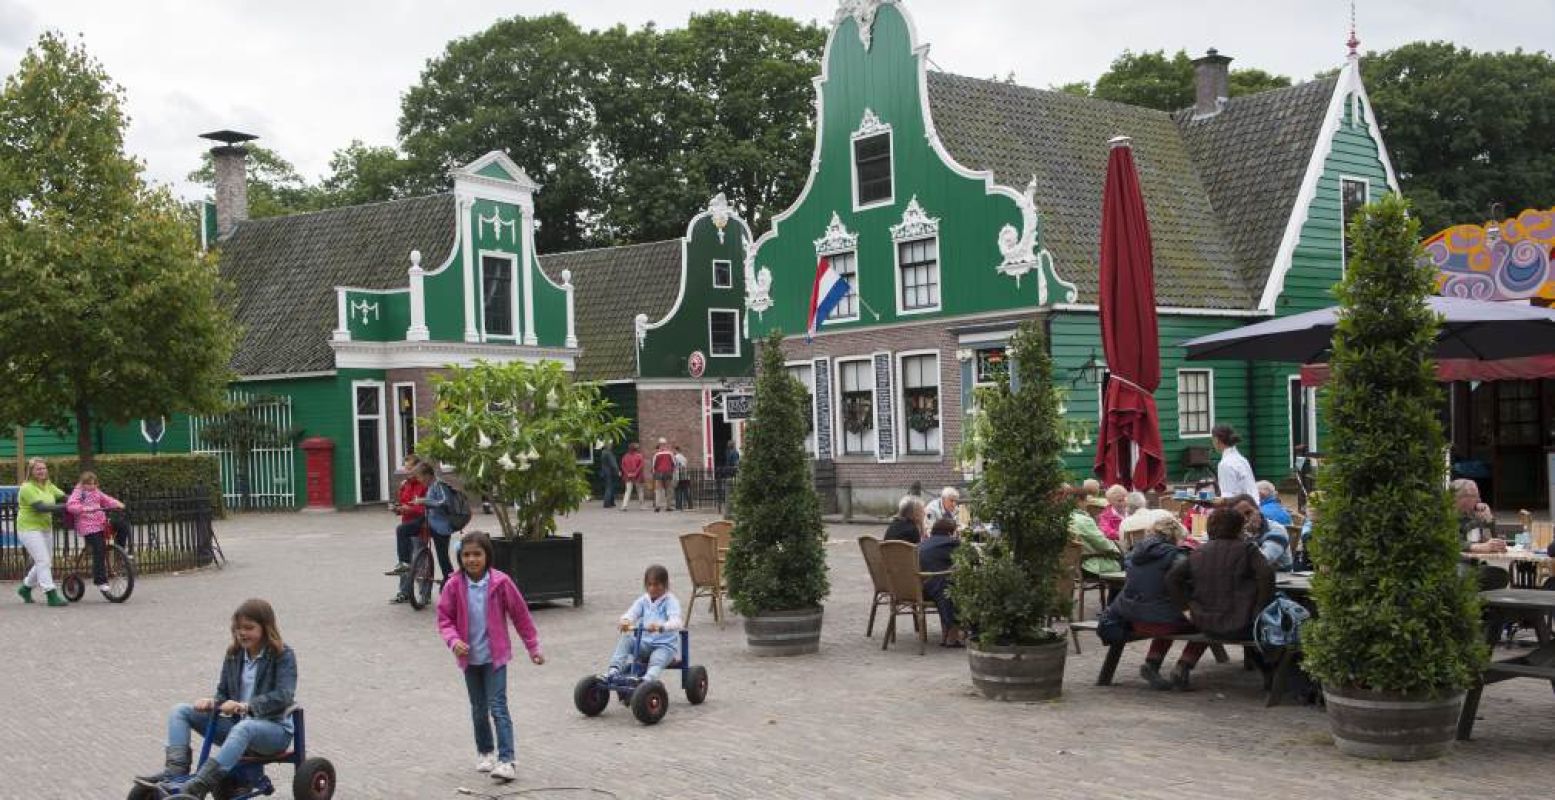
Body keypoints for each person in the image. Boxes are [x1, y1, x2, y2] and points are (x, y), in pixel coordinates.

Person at [135, 599, 297, 797]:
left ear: (265, 627)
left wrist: (245, 707)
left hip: (274, 731)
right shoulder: (234, 655)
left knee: (244, 727)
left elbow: (284, 696)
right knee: (180, 711)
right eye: (238, 629)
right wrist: (213, 703)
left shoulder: (283, 655)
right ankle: (174, 776)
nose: (242, 633)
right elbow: (223, 694)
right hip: (239, 728)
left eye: (249, 628)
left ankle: (199, 786)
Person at [437, 532, 544, 784]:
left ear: (487, 556)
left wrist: (533, 647)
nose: (472, 559)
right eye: (466, 555)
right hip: (469, 660)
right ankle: (485, 752)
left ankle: (507, 760)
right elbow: (444, 619)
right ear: (460, 558)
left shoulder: (501, 583)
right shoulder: (453, 585)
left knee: (498, 707)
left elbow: (521, 616)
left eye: (477, 554)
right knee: (478, 709)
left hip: (495, 658)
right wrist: (453, 641)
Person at [1166, 507, 1275, 688]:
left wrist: (1186, 608)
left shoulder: (1199, 552)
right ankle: (1270, 673)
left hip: (1205, 621)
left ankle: (1184, 665)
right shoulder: (1248, 550)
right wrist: (1259, 609)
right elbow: (1267, 575)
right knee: (1275, 627)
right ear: (1239, 527)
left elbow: (1172, 577)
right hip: (1243, 622)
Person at [1113, 509, 1198, 690]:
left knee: (1164, 610)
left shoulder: (1134, 554)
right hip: (1160, 621)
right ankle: (1183, 666)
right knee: (1207, 623)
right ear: (1176, 536)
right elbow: (1192, 579)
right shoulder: (1176, 556)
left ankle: (1152, 663)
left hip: (1133, 618)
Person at [603, 564, 683, 683]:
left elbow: (677, 622)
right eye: (649, 584)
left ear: (665, 585)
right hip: (645, 643)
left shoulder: (670, 601)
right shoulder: (643, 601)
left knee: (658, 658)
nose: (652, 588)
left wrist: (662, 626)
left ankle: (647, 680)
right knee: (627, 639)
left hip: (664, 645)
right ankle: (614, 670)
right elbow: (631, 613)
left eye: (656, 585)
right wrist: (625, 621)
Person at [15, 458, 68, 607]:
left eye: (44, 468)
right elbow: (41, 507)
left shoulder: (48, 485)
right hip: (28, 528)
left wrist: (79, 502)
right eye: (38, 469)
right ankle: (51, 594)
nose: (42, 471)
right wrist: (66, 507)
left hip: (45, 527)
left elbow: (64, 497)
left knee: (44, 562)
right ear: (31, 472)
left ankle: (25, 588)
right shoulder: (27, 487)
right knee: (43, 561)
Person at [65, 470, 126, 594]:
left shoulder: (96, 492)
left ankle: (120, 550)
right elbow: (71, 505)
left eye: (94, 484)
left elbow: (106, 499)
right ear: (83, 484)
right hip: (87, 525)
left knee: (122, 525)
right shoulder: (79, 493)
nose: (92, 486)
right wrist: (84, 509)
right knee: (99, 548)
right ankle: (100, 580)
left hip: (100, 522)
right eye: (89, 484)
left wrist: (117, 504)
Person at [919, 518, 964, 646]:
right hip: (935, 588)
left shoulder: (923, 543)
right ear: (951, 532)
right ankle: (954, 634)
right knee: (950, 585)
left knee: (944, 581)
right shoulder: (951, 543)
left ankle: (949, 633)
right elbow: (971, 560)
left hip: (917, 588)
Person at [386, 454, 427, 584]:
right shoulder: (404, 485)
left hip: (421, 526)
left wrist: (410, 509)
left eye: (410, 469)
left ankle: (424, 593)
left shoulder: (424, 484)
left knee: (419, 560)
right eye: (406, 468)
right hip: (407, 524)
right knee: (404, 559)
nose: (407, 471)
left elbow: (427, 507)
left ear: (417, 468)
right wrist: (397, 509)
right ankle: (404, 592)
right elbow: (403, 502)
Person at [1068, 489, 1122, 576]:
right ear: (1079, 501)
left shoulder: (1063, 518)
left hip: (1071, 565)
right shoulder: (1083, 520)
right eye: (1085, 501)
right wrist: (1118, 550)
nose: (1087, 505)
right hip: (1089, 565)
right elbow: (1101, 543)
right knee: (1125, 564)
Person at [1233, 493, 1292, 571]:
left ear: (1258, 510)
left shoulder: (1276, 530)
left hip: (1280, 579)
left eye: (1248, 513)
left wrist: (1247, 536)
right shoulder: (1235, 532)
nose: (1246, 519)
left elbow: (1262, 561)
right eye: (1239, 516)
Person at [1453, 479, 1505, 554]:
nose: (1479, 500)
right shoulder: (1447, 515)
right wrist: (1476, 547)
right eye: (1474, 496)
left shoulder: (1473, 514)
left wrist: (1489, 520)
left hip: (1474, 562)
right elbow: (1453, 542)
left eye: (1478, 495)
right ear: (1461, 498)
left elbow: (1490, 538)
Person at [1211, 424, 1258, 501]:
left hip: (1240, 509)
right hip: (1253, 506)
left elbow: (1227, 496)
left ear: (1216, 440)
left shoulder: (1225, 464)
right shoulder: (1243, 460)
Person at [651, 439, 675, 512]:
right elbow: (674, 463)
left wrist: (654, 473)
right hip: (668, 472)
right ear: (666, 444)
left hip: (658, 473)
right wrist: (672, 471)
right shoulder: (670, 453)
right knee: (668, 490)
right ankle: (668, 506)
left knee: (658, 490)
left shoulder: (656, 454)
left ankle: (657, 506)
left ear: (659, 445)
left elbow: (654, 465)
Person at [620, 443, 645, 511]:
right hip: (638, 476)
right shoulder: (639, 456)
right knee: (640, 491)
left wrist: (627, 473)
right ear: (637, 449)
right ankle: (642, 506)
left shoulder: (625, 456)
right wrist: (635, 473)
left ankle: (624, 506)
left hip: (628, 476)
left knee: (627, 491)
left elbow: (622, 466)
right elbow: (641, 466)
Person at [599, 444, 620, 509]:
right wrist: (617, 471)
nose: (611, 446)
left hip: (605, 472)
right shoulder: (609, 453)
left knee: (609, 486)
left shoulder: (603, 453)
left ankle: (611, 502)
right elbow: (613, 464)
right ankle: (607, 503)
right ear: (608, 446)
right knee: (609, 487)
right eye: (610, 445)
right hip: (610, 472)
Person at [673, 445, 691, 511]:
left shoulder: (675, 457)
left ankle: (678, 505)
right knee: (685, 490)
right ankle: (689, 504)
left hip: (679, 475)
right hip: (685, 476)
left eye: (674, 450)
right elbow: (685, 466)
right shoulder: (684, 457)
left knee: (678, 491)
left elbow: (674, 466)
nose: (673, 452)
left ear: (676, 450)